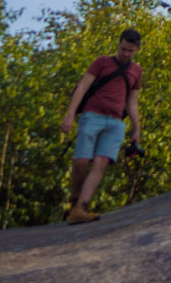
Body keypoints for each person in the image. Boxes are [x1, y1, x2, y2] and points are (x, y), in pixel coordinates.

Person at [60, 29, 143, 224]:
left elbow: (132, 102)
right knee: (80, 162)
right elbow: (82, 87)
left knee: (101, 162)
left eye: (130, 51)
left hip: (115, 123)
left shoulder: (136, 71)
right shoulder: (102, 62)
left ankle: (82, 207)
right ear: (118, 44)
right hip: (92, 116)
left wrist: (136, 128)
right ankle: (75, 201)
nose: (125, 54)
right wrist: (70, 115)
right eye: (123, 49)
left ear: (137, 50)